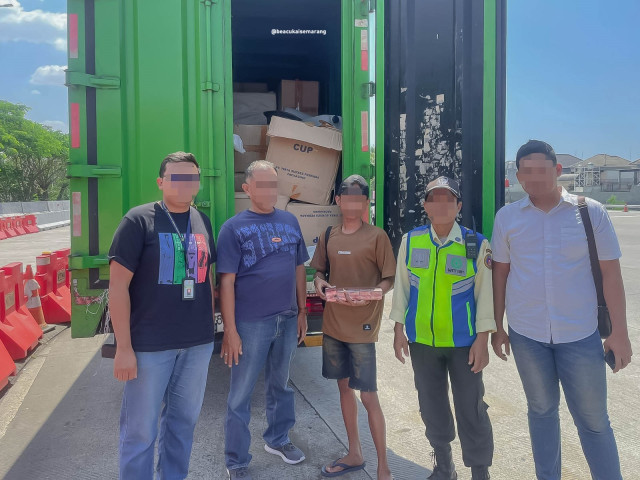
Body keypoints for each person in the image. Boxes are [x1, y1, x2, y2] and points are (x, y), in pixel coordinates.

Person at [491, 140, 633, 480]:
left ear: (557, 171)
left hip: (580, 335)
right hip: (527, 336)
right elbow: (500, 274)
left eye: (542, 170)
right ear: (518, 176)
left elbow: (611, 274)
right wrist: (497, 326)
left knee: (594, 421)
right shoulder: (507, 217)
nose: (534, 178)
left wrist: (620, 333)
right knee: (541, 412)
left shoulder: (590, 212)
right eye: (527, 171)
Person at [109, 151, 216, 479]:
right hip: (150, 346)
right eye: (177, 177)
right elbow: (118, 288)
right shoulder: (138, 220)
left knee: (182, 426)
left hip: (197, 344)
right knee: (140, 432)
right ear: (161, 182)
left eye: (191, 178)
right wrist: (123, 348)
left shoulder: (202, 220)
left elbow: (207, 279)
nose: (185, 184)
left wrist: (212, 328)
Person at [390, 176, 494, 480]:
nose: (441, 205)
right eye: (434, 199)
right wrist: (398, 329)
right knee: (431, 404)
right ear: (425, 205)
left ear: (458, 206)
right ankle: (444, 466)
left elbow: (485, 295)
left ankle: (480, 471)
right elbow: (402, 287)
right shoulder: (412, 241)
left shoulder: (475, 244)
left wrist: (483, 340)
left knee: (471, 407)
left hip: (464, 343)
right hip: (422, 341)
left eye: (448, 199)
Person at [217, 160, 309, 480]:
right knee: (240, 394)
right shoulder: (233, 228)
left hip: (287, 317)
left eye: (274, 184)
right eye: (263, 184)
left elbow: (299, 267)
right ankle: (236, 461)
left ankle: (278, 439)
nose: (271, 190)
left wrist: (302, 310)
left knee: (281, 385)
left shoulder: (290, 221)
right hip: (251, 323)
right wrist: (230, 329)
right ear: (247, 188)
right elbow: (226, 282)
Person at [311, 175, 396, 480]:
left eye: (359, 198)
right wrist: (319, 283)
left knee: (369, 396)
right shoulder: (329, 234)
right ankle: (354, 453)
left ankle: (384, 468)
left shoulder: (377, 236)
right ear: (338, 201)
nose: (352, 203)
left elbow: (388, 279)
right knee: (344, 389)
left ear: (365, 202)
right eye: (347, 197)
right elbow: (320, 271)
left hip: (362, 328)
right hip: (334, 325)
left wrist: (374, 293)